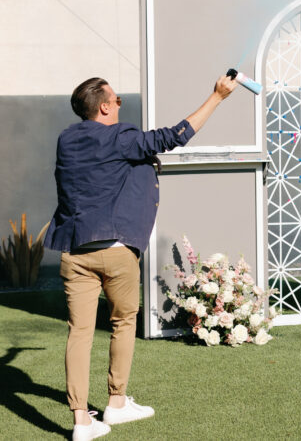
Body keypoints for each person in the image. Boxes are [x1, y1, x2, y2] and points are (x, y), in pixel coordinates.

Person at [46, 75, 237, 440]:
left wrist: (144, 163)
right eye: (116, 100)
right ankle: (116, 403)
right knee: (122, 323)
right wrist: (216, 96)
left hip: (75, 253)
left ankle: (81, 423)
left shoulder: (67, 140)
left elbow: (108, 169)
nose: (120, 105)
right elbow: (173, 136)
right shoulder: (120, 138)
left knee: (79, 334)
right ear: (103, 107)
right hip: (116, 253)